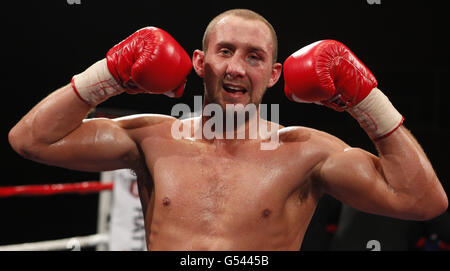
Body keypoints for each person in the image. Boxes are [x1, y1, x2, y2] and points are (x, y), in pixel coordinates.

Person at [8, 9, 447, 251]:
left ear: (274, 74)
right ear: (201, 63)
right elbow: (30, 140)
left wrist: (365, 100)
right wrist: (107, 75)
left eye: (254, 56)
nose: (236, 67)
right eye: (225, 51)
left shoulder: (307, 152)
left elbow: (421, 202)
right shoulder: (151, 138)